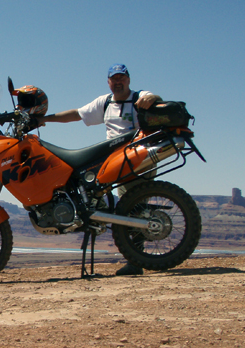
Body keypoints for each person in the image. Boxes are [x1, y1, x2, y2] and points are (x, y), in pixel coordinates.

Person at [35, 63, 161, 276]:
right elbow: (77, 114)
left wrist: (153, 98)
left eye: (122, 78)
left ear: (128, 79)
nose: (118, 82)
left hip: (136, 159)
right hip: (113, 161)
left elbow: (155, 99)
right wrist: (45, 119)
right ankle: (94, 221)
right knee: (103, 196)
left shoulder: (139, 97)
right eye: (114, 78)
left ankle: (135, 261)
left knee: (132, 207)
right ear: (109, 82)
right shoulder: (106, 102)